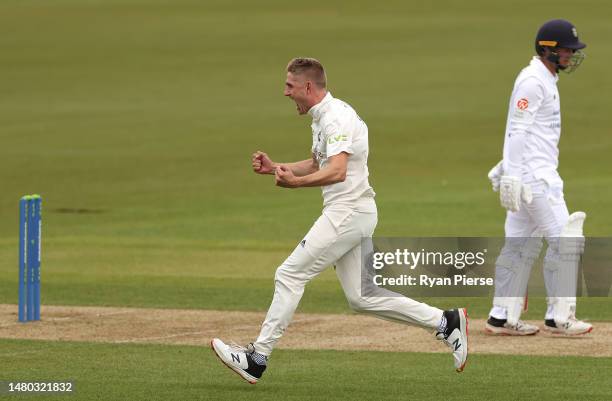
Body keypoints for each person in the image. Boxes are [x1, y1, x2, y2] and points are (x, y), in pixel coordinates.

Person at [211, 57, 468, 384]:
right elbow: (320, 161)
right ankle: (446, 322)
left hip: (347, 212)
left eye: (290, 86)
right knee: (363, 297)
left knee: (289, 274)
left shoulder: (335, 118)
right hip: (354, 212)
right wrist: (276, 166)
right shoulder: (323, 117)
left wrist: (295, 184)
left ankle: (256, 358)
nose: (285, 93)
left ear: (307, 86)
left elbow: (337, 171)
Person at [486, 19, 593, 336]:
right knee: (565, 240)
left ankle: (502, 316)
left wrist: (508, 167)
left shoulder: (543, 79)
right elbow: (517, 128)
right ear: (547, 50)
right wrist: (513, 175)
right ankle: (560, 317)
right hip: (536, 179)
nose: (570, 56)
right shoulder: (534, 81)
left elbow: (524, 131)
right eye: (566, 50)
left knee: (517, 246)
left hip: (529, 174)